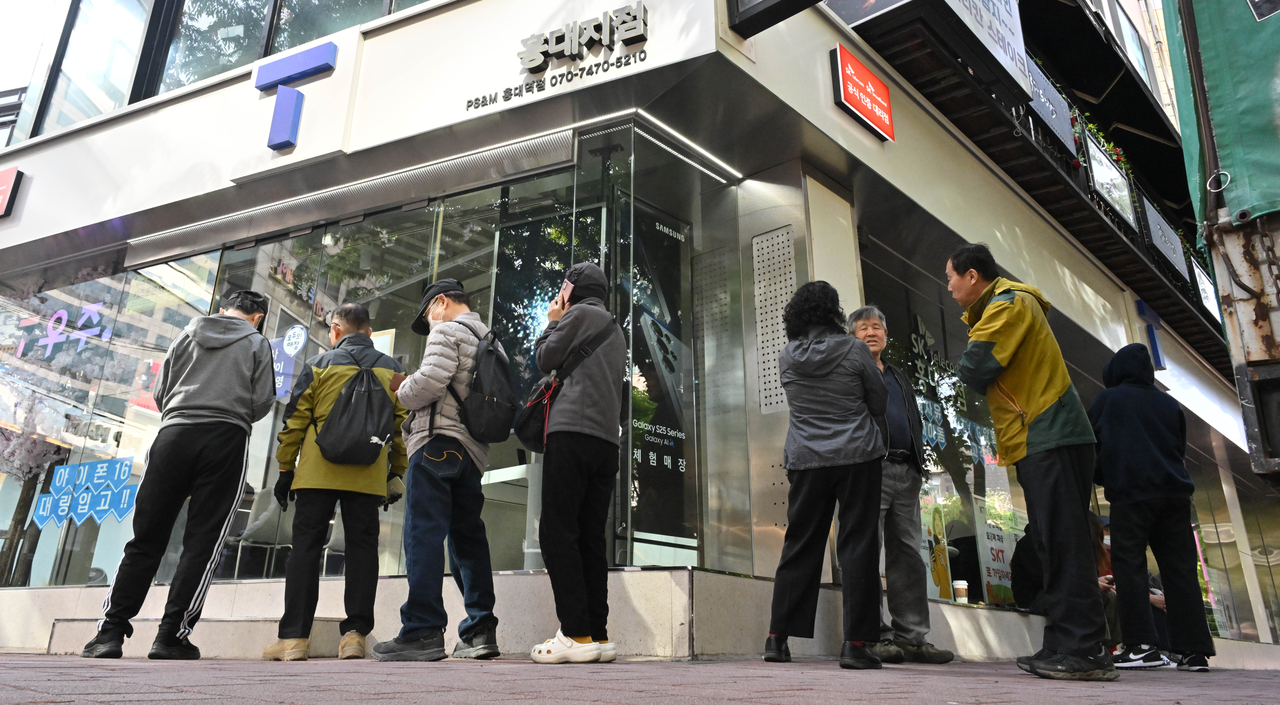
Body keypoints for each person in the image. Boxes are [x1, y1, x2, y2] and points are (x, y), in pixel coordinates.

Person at [945, 243, 1114, 681]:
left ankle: (1083, 650)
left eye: (951, 278)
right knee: (1050, 542)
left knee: (1062, 542)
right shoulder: (1002, 305)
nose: (948, 288)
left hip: (1048, 432)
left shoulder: (1009, 303)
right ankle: (1063, 643)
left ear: (972, 277)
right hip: (1040, 435)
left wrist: (972, 347)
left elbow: (975, 367)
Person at [82, 291, 275, 660]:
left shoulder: (186, 335)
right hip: (225, 438)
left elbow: (161, 391)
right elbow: (263, 400)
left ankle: (109, 634)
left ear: (223, 310)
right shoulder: (256, 341)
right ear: (257, 317)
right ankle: (170, 635)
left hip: (173, 435)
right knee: (204, 542)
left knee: (145, 538)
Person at [262, 302, 408, 662]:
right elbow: (402, 426)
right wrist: (396, 472)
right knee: (362, 552)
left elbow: (294, 420)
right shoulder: (394, 371)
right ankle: (355, 636)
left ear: (337, 331)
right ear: (369, 333)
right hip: (368, 474)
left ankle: (294, 638)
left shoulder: (320, 364)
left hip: (316, 473)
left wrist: (285, 470)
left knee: (306, 550)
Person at [372, 279, 503, 662]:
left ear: (441, 302)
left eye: (428, 314)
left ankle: (423, 629)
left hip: (436, 444)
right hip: (472, 452)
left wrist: (402, 388)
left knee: (423, 534)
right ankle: (480, 630)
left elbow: (428, 384)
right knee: (467, 540)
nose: (430, 323)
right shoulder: (490, 340)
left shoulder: (447, 330)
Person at [763, 282, 888, 670]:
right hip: (856, 457)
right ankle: (855, 644)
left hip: (805, 459)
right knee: (858, 545)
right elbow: (879, 401)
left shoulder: (786, 356)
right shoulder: (854, 349)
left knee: (800, 543)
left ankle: (776, 639)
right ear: (834, 312)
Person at [1088, 343, 1214, 672]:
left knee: (1130, 566)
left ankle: (1142, 646)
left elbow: (1091, 449)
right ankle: (1194, 652)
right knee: (1181, 571)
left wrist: (1103, 477)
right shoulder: (1170, 405)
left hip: (1132, 493)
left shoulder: (1109, 400)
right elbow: (1177, 449)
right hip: (1175, 495)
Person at [529, 262, 627, 665]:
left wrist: (553, 321)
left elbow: (544, 357)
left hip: (571, 433)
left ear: (570, 291)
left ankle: (574, 633)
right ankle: (597, 635)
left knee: (557, 533)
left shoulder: (577, 315)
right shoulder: (615, 328)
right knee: (589, 537)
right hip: (605, 442)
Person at [848, 306, 954, 665]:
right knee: (865, 552)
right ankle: (871, 636)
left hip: (906, 471)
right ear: (852, 337)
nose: (871, 333)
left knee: (909, 553)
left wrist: (918, 463)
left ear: (886, 335)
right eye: (863, 328)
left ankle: (912, 637)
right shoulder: (849, 372)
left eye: (877, 327)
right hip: (869, 469)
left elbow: (911, 419)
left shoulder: (898, 375)